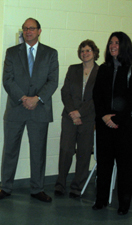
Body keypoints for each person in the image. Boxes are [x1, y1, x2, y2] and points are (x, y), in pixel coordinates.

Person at [0, 17, 59, 202]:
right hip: (16, 108)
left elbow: (53, 81)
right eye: (25, 29)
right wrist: (23, 98)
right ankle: (5, 188)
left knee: (38, 152)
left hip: (40, 109)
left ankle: (37, 189)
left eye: (32, 28)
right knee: (9, 151)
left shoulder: (51, 53)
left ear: (39, 31)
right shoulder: (12, 52)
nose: (28, 31)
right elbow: (8, 80)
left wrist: (37, 98)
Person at [92, 32, 132, 215]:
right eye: (110, 43)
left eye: (116, 43)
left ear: (124, 46)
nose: (112, 46)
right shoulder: (103, 68)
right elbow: (97, 96)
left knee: (124, 167)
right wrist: (104, 117)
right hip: (104, 125)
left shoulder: (130, 69)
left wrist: (116, 119)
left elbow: (130, 100)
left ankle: (124, 204)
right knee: (104, 164)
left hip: (123, 127)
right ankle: (100, 200)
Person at [54, 40, 99, 198]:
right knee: (65, 150)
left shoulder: (101, 72)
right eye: (82, 51)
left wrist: (81, 113)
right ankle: (60, 184)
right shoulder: (73, 69)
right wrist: (73, 112)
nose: (84, 53)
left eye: (88, 50)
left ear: (94, 52)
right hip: (69, 117)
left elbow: (98, 97)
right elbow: (65, 91)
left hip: (88, 119)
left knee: (84, 153)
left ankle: (77, 187)